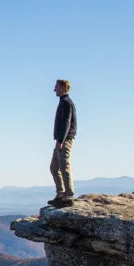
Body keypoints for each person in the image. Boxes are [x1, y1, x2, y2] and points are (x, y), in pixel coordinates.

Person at [48, 79, 77, 207]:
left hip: (65, 140)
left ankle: (69, 196)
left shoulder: (66, 102)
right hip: (61, 139)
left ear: (63, 87)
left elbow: (66, 122)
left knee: (64, 167)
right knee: (54, 167)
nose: (54, 89)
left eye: (56, 87)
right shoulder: (63, 102)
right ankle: (60, 194)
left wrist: (61, 140)